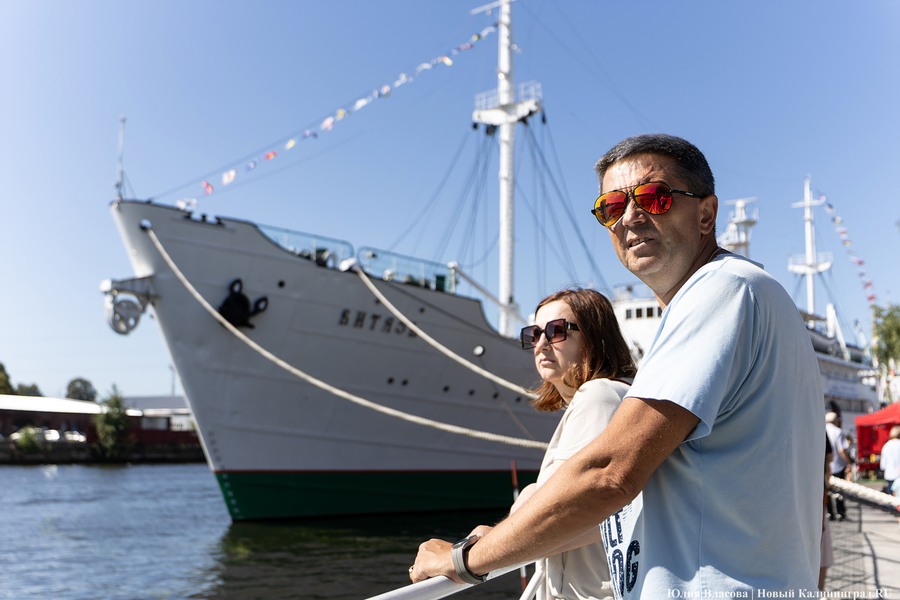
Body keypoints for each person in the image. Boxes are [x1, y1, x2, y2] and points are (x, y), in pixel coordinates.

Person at [410, 134, 825, 596]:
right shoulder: (755, 297)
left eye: (653, 197)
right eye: (611, 207)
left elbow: (609, 473)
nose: (630, 216)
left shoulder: (722, 289)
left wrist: (464, 559)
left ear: (706, 214)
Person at [480, 288, 636, 599]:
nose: (540, 344)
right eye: (533, 334)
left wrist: (474, 551)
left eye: (556, 331)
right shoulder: (620, 394)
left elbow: (575, 508)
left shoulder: (600, 395)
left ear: (594, 337)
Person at [825, 412, 852, 521]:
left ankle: (830, 513)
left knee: (828, 491)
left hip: (825, 465)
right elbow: (841, 450)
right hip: (837, 464)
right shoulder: (838, 431)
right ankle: (840, 513)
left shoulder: (821, 429)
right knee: (839, 491)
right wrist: (848, 462)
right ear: (836, 421)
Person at [880, 425, 900, 496]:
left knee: (890, 498)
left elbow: (883, 464)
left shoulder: (886, 445)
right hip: (899, 475)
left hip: (889, 474)